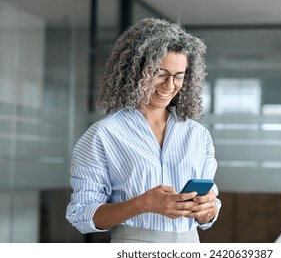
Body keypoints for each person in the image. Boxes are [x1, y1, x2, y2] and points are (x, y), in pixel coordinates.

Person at [65, 18, 221, 243]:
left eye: (179, 76)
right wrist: (142, 204)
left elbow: (209, 209)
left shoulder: (198, 135)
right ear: (135, 71)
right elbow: (81, 214)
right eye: (160, 73)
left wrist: (208, 210)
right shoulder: (103, 135)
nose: (169, 86)